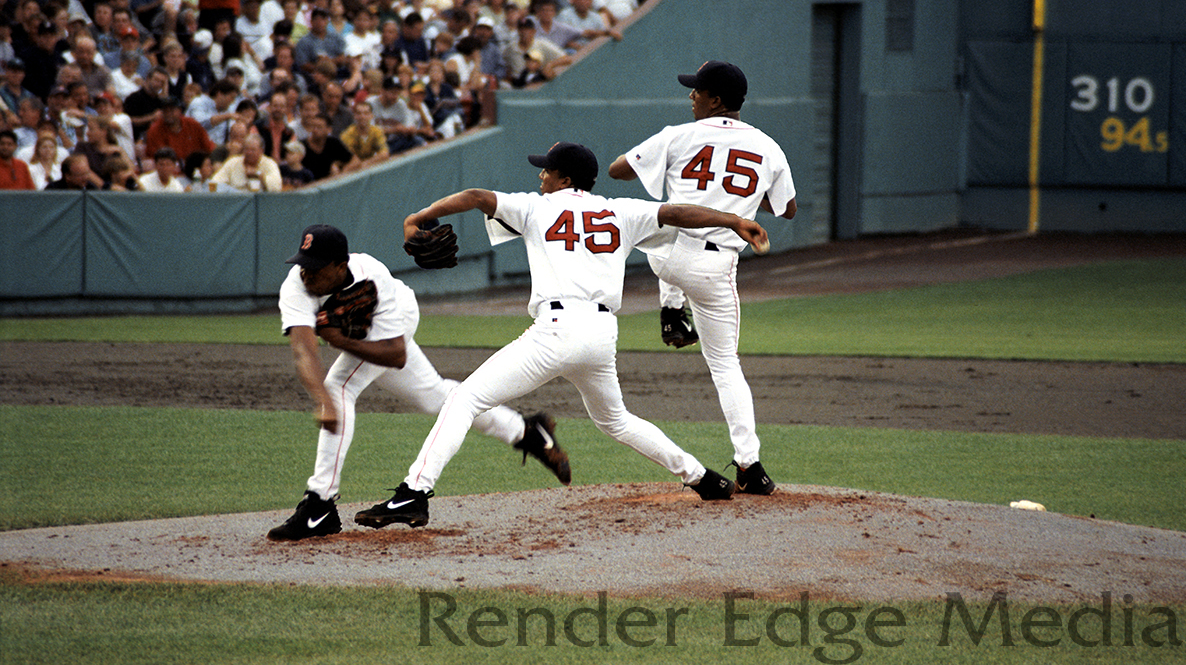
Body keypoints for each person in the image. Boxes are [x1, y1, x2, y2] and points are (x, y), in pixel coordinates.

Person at [352, 141, 771, 530]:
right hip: (601, 335)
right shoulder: (620, 211)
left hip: (555, 332)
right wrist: (734, 220)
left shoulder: (537, 207)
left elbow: (478, 197)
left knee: (464, 399)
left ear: (565, 179)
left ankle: (414, 493)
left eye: (547, 171)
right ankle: (702, 478)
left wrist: (418, 218)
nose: (541, 177)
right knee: (616, 420)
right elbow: (677, 212)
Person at [266, 222, 573, 541]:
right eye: (303, 264)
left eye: (315, 268)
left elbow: (395, 354)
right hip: (364, 335)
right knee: (435, 397)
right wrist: (321, 402)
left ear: (339, 265)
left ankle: (319, 504)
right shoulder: (296, 287)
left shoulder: (372, 273)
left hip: (397, 321)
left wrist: (340, 343)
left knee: (340, 386)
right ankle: (526, 432)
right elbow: (304, 351)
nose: (306, 273)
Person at [608, 61, 797, 496]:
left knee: (656, 219)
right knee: (725, 365)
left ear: (716, 100)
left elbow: (618, 170)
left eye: (697, 91)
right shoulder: (769, 147)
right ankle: (750, 465)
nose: (690, 96)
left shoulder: (678, 134)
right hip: (713, 270)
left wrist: (666, 161)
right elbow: (786, 208)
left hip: (662, 255)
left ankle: (672, 310)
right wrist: (742, 198)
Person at [143, 97, 217, 165]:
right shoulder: (155, 130)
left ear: (180, 110)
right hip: (169, 171)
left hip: (195, 169)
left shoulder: (192, 124)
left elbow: (209, 147)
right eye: (165, 111)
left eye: (172, 110)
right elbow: (155, 159)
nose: (168, 114)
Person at [209, 132, 282, 191]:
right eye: (246, 149)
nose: (249, 153)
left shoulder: (269, 163)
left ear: (261, 151)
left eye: (253, 150)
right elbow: (215, 182)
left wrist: (258, 175)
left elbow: (276, 186)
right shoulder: (233, 162)